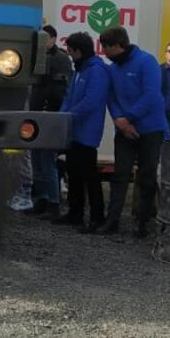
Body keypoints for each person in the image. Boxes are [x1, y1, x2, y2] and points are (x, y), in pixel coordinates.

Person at [98, 26, 168, 238]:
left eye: (106, 47)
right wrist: (119, 121)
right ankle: (113, 220)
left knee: (147, 176)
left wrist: (127, 118)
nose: (104, 52)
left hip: (150, 129)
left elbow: (151, 95)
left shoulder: (147, 62)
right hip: (124, 130)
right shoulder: (113, 68)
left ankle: (142, 222)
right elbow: (110, 97)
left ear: (118, 45)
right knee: (120, 175)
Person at [59, 31, 110, 232]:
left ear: (79, 51)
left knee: (89, 176)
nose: (70, 56)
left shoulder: (97, 71)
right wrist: (61, 116)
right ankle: (75, 213)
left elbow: (92, 100)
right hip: (73, 129)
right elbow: (69, 96)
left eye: (71, 52)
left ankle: (97, 217)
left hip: (87, 131)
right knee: (73, 172)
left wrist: (69, 115)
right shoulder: (79, 70)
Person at [31, 26, 72, 218]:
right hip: (36, 112)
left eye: (46, 38)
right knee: (37, 160)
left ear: (54, 39)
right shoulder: (35, 56)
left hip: (50, 115)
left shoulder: (61, 59)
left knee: (47, 160)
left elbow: (60, 89)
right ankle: (41, 199)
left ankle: (53, 203)